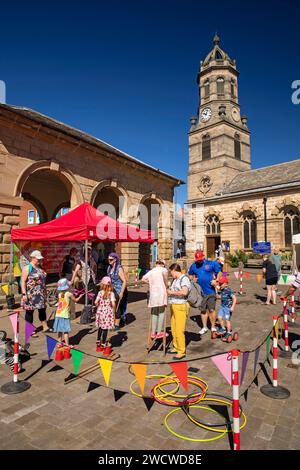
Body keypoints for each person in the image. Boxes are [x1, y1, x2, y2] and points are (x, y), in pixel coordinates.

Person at [188, 251, 221, 336]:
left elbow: (220, 272)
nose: (199, 261)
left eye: (200, 259)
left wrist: (216, 280)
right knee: (203, 310)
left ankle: (213, 327)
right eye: (197, 259)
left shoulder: (211, 263)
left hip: (210, 291)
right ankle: (204, 327)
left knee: (211, 309)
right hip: (200, 293)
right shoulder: (193, 265)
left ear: (203, 257)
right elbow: (190, 275)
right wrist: (192, 279)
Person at [21, 250, 49, 337]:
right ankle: (29, 330)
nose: (39, 260)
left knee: (42, 310)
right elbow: (22, 282)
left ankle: (45, 326)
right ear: (32, 258)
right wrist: (24, 294)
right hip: (31, 294)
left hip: (40, 294)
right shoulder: (27, 268)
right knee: (30, 312)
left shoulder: (39, 267)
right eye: (38, 259)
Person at [168, 263, 191, 360]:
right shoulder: (175, 279)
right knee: (173, 328)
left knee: (179, 329)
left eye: (171, 272)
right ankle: (176, 346)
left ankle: (181, 351)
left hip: (181, 305)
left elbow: (184, 292)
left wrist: (171, 292)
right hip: (174, 305)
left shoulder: (184, 279)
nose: (170, 274)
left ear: (174, 270)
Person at [142, 259, 168, 339]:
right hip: (161, 293)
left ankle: (153, 332)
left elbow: (143, 279)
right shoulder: (164, 270)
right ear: (163, 264)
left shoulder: (151, 271)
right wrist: (167, 286)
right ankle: (159, 332)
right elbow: (166, 281)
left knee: (154, 312)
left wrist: (151, 283)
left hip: (153, 294)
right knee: (161, 312)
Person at [53, 278, 84, 346]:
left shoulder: (59, 294)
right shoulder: (69, 294)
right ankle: (67, 344)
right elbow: (75, 300)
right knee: (65, 331)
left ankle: (59, 343)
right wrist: (80, 296)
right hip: (65, 315)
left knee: (59, 330)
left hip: (58, 314)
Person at [107, 252, 128, 330]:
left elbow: (124, 281)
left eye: (111, 259)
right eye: (108, 259)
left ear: (115, 260)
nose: (109, 261)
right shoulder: (109, 268)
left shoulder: (119, 268)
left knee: (117, 306)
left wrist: (121, 292)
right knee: (111, 305)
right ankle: (113, 321)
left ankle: (117, 324)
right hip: (112, 289)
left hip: (119, 289)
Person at [95, 276, 116, 351]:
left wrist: (99, 306)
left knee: (100, 327)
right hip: (107, 313)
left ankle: (98, 341)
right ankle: (103, 343)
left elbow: (95, 302)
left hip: (100, 312)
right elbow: (113, 304)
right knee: (105, 328)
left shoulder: (100, 292)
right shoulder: (111, 294)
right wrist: (113, 309)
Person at [216, 276, 237, 341]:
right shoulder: (221, 289)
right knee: (219, 317)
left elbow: (234, 298)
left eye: (221, 284)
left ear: (226, 284)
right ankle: (223, 328)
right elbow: (217, 288)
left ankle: (229, 332)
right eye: (219, 284)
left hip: (228, 308)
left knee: (227, 320)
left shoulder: (228, 290)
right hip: (222, 307)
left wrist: (233, 307)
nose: (220, 285)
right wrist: (215, 286)